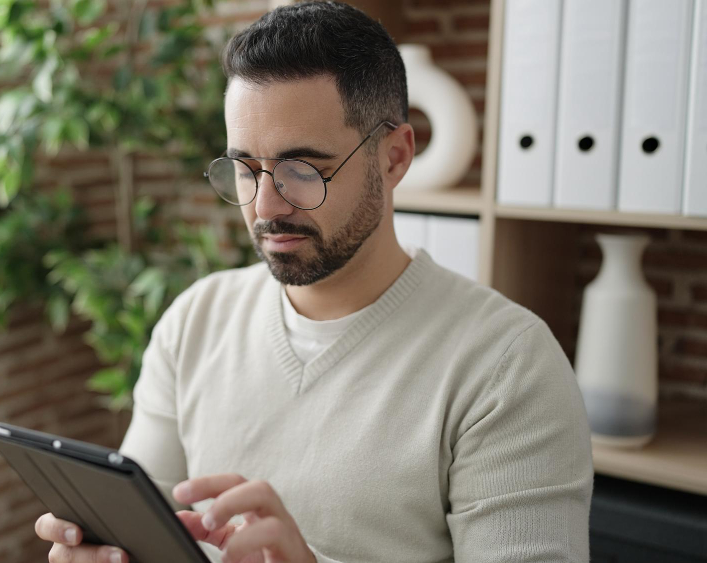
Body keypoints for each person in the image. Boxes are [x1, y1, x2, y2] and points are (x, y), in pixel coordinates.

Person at [35, 2, 594, 561]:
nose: (265, 207)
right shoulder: (195, 319)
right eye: (245, 169)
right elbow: (147, 529)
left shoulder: (507, 366)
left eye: (302, 170)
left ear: (395, 157)